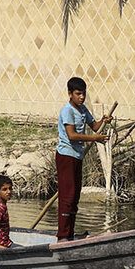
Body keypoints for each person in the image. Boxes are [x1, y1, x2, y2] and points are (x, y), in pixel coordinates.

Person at [55, 76, 110, 241]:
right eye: (78, 94)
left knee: (75, 195)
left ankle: (70, 234)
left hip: (77, 156)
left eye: (84, 94)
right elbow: (71, 135)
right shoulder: (67, 111)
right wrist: (95, 138)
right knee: (68, 195)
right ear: (70, 94)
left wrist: (104, 120)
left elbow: (94, 126)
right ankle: (63, 236)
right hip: (66, 155)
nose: (82, 97)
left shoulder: (83, 109)